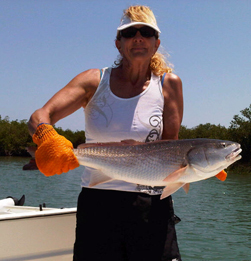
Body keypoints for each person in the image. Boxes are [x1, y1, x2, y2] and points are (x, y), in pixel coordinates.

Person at [28, 5, 183, 261]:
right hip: (98, 202)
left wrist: (203, 165)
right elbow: (41, 116)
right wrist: (48, 138)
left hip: (151, 204)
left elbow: (171, 149)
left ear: (156, 43)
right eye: (130, 33)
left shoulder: (169, 84)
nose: (138, 38)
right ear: (118, 43)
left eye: (146, 32)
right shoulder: (93, 81)